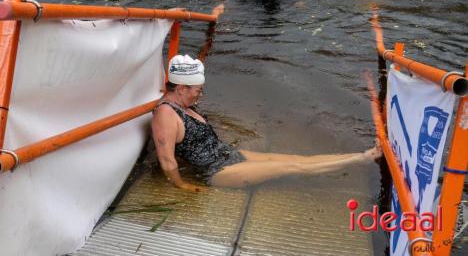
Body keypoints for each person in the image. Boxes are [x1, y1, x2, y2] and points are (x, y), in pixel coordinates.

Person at [151, 55, 382, 190]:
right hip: (216, 171)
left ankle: (363, 154)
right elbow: (167, 159)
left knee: (296, 159)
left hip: (227, 155)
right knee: (291, 168)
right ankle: (361, 160)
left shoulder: (184, 106)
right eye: (197, 91)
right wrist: (181, 186)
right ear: (181, 88)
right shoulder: (166, 114)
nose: (200, 95)